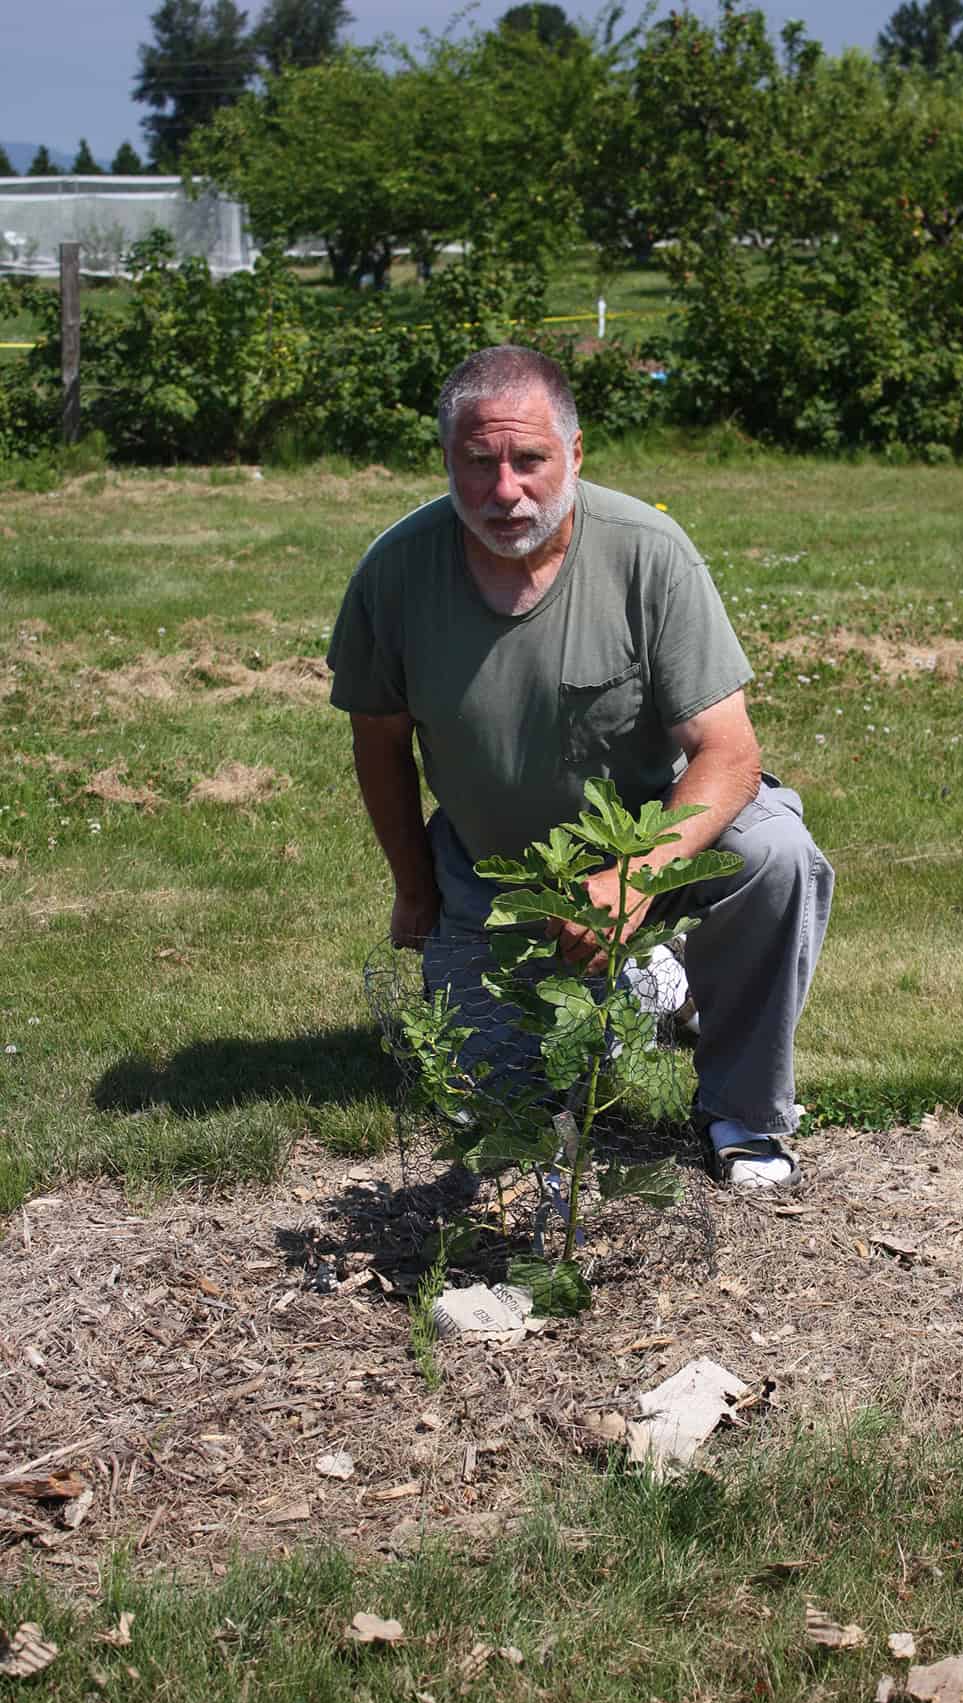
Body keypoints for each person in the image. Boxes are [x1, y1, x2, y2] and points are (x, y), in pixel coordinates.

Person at [327, 345, 834, 1187]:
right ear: (446, 458)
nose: (504, 491)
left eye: (529, 460)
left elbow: (730, 752)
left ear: (575, 453)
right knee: (500, 1110)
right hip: (497, 877)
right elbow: (377, 743)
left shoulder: (648, 552)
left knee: (772, 855)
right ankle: (651, 985)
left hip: (650, 854)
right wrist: (414, 887)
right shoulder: (396, 572)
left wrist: (638, 876)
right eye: (477, 463)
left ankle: (743, 1112)